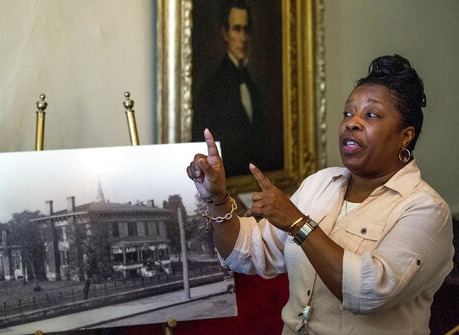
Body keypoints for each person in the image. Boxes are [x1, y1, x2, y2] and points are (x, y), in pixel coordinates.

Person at [186, 55, 454, 334]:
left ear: (405, 136)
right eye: (348, 113)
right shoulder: (321, 184)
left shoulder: (425, 210)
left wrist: (297, 223)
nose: (352, 123)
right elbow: (246, 253)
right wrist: (217, 197)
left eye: (370, 115)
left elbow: (369, 291)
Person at [192, 0, 272, 177]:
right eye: (237, 29)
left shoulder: (252, 84)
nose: (243, 37)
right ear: (225, 33)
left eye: (246, 29)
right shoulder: (213, 87)